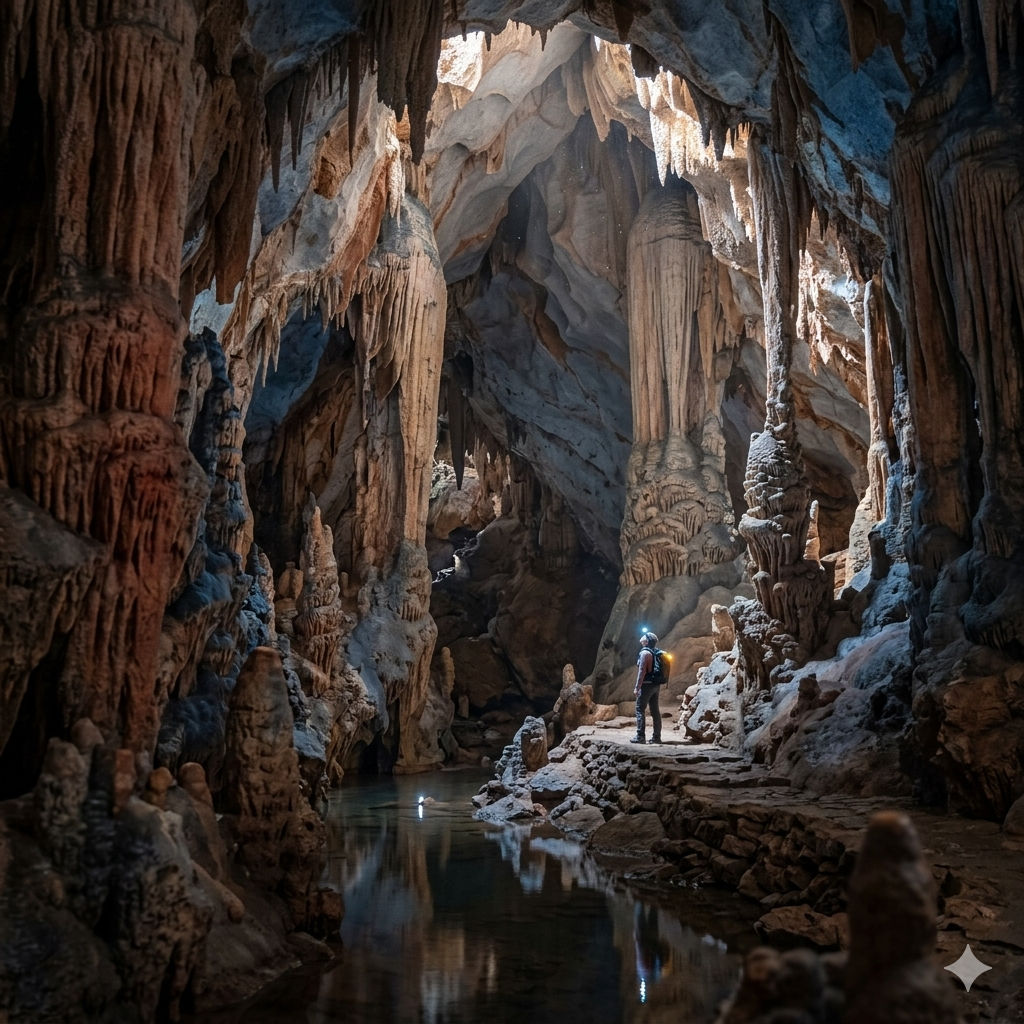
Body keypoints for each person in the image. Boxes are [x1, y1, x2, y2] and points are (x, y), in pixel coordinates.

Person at [632, 631, 662, 744]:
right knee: (655, 711)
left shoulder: (645, 653)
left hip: (646, 685)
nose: (642, 636)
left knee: (640, 709)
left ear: (647, 641)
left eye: (645, 636)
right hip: (655, 685)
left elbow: (642, 672)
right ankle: (657, 737)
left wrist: (637, 687)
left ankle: (640, 736)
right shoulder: (655, 652)